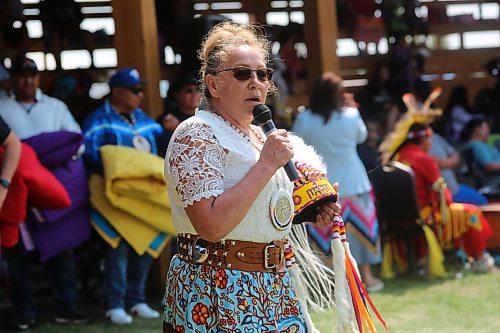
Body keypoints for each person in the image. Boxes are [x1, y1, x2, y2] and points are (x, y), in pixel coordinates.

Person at [162, 22, 389, 333]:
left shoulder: (259, 136)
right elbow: (211, 225)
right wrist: (266, 164)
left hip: (275, 286)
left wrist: (307, 209)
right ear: (213, 85)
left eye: (263, 74)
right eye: (242, 73)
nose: (256, 82)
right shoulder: (196, 134)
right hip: (217, 287)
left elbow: (255, 213)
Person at [0, 56, 89, 330]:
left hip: (47, 186)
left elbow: (77, 142)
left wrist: (46, 157)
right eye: (21, 75)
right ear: (13, 79)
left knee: (62, 248)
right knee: (16, 252)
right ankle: (24, 312)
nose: (27, 80)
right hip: (14, 187)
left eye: (32, 75)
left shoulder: (56, 106)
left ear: (38, 78)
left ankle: (67, 307)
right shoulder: (1, 105)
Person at [83, 68, 163, 325]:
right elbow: (91, 155)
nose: (140, 95)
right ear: (117, 92)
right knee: (117, 251)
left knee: (144, 248)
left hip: (144, 199)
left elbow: (163, 147)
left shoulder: (144, 120)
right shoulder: (99, 120)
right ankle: (114, 304)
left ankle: (136, 300)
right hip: (114, 199)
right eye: (135, 90)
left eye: (140, 89)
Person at [379, 95, 494, 275]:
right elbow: (443, 194)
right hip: (425, 217)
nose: (430, 144)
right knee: (472, 213)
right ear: (423, 140)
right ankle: (479, 259)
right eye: (429, 140)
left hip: (395, 217)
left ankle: (426, 259)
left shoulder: (396, 157)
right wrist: (448, 205)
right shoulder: (423, 158)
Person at [292, 72, 384, 293]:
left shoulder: (305, 118)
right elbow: (361, 137)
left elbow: (296, 144)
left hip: (321, 185)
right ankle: (367, 278)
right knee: (362, 232)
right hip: (354, 182)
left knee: (324, 232)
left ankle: (330, 283)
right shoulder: (351, 115)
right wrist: (353, 106)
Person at [428, 130, 488, 205]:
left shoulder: (435, 136)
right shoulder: (416, 141)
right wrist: (432, 161)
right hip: (440, 196)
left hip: (454, 188)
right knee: (482, 203)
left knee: (482, 201)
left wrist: (446, 162)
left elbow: (456, 156)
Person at [157, 71, 201, 157]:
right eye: (189, 91)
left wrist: (179, 127)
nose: (194, 94)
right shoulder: (167, 119)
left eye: (198, 90)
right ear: (177, 95)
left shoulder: (208, 117)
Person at [461, 117, 500, 189]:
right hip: (494, 184)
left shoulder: (477, 144)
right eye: (486, 128)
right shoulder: (476, 145)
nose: (489, 131)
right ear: (477, 129)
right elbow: (489, 166)